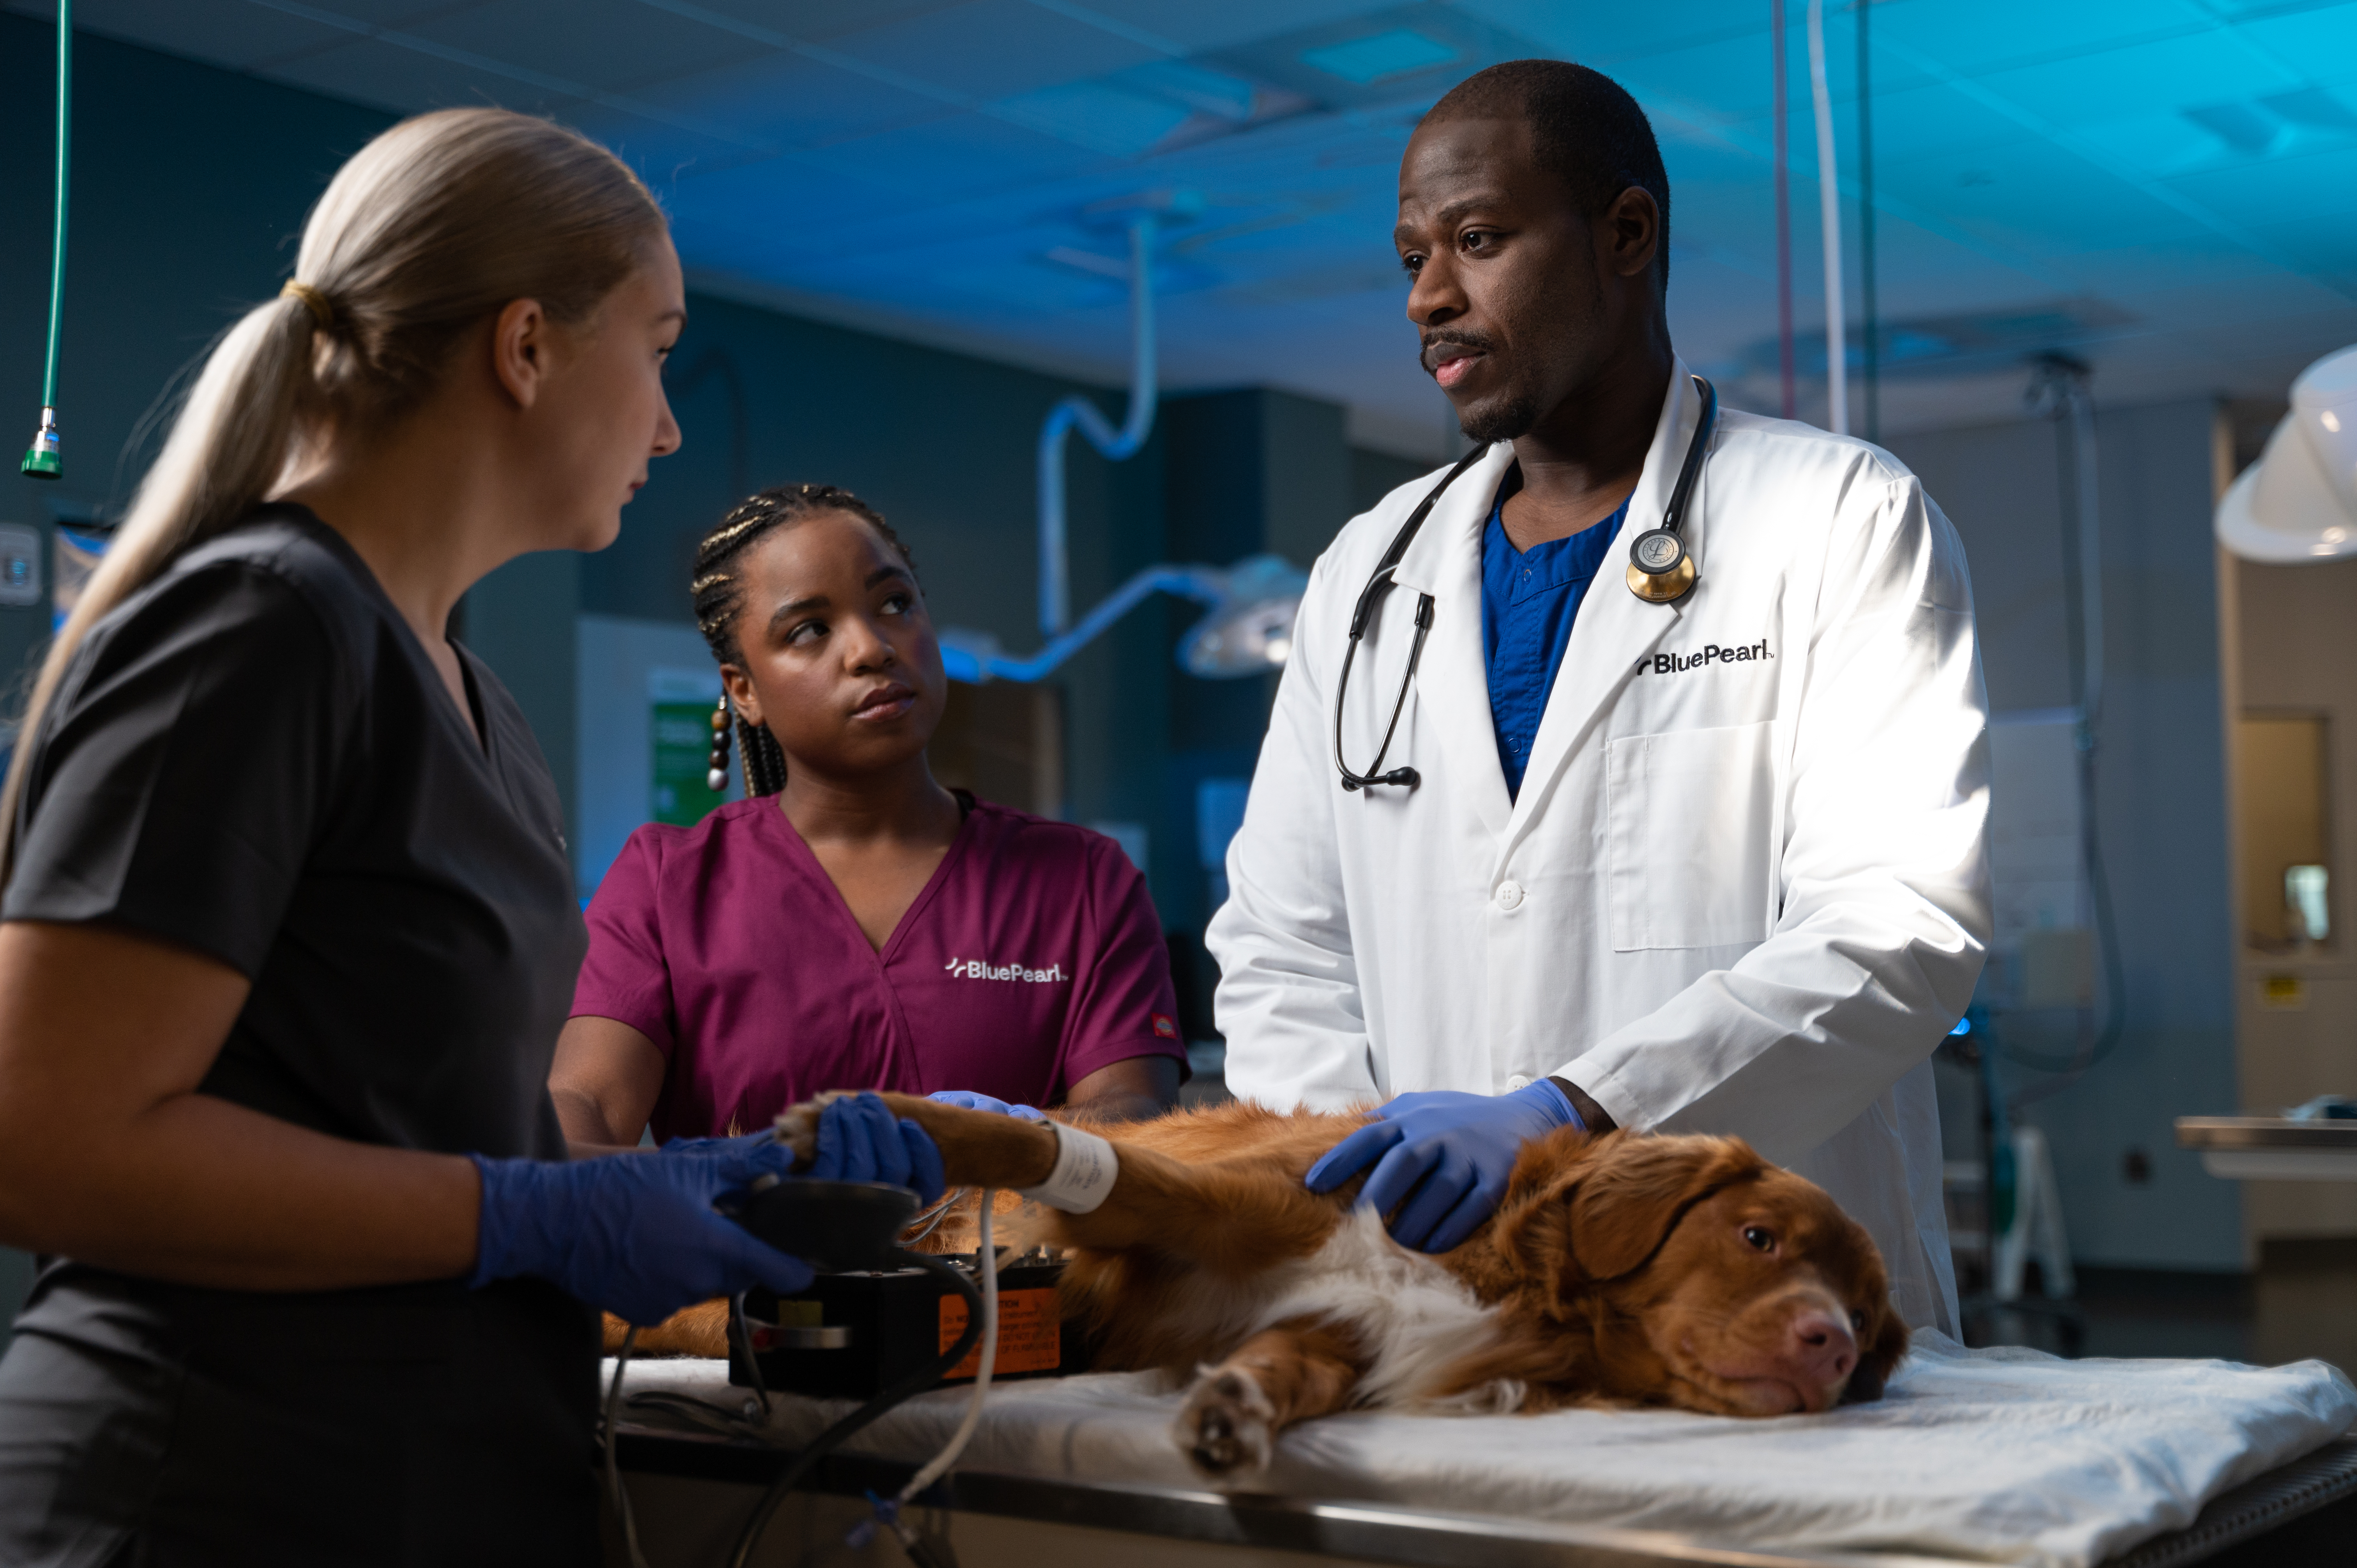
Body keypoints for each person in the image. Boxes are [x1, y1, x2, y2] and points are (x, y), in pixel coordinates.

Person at [0, 110, 936, 1566]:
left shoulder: (469, 695)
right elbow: (46, 1146)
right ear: (525, 347)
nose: (672, 422)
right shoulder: (259, 626)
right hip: (210, 1495)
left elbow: (400, 1117)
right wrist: (530, 1220)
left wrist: (688, 1185)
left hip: (430, 1490)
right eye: (660, 344)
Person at [1207, 62, 1988, 1335]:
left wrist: (1578, 1110)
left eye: (1476, 239)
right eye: (1410, 254)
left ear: (1624, 234)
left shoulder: (1836, 517)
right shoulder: (1365, 571)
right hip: (1445, 1307)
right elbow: (1282, 940)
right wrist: (1363, 1172)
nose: (1426, 298)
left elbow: (1895, 926)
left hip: (1759, 1299)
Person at [549, 484, 1184, 1153]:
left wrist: (980, 1149)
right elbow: (583, 1099)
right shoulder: (667, 882)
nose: (872, 648)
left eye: (895, 604)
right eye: (810, 630)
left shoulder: (1084, 879)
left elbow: (1131, 1113)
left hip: (1012, 1258)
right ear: (743, 691)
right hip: (740, 1258)